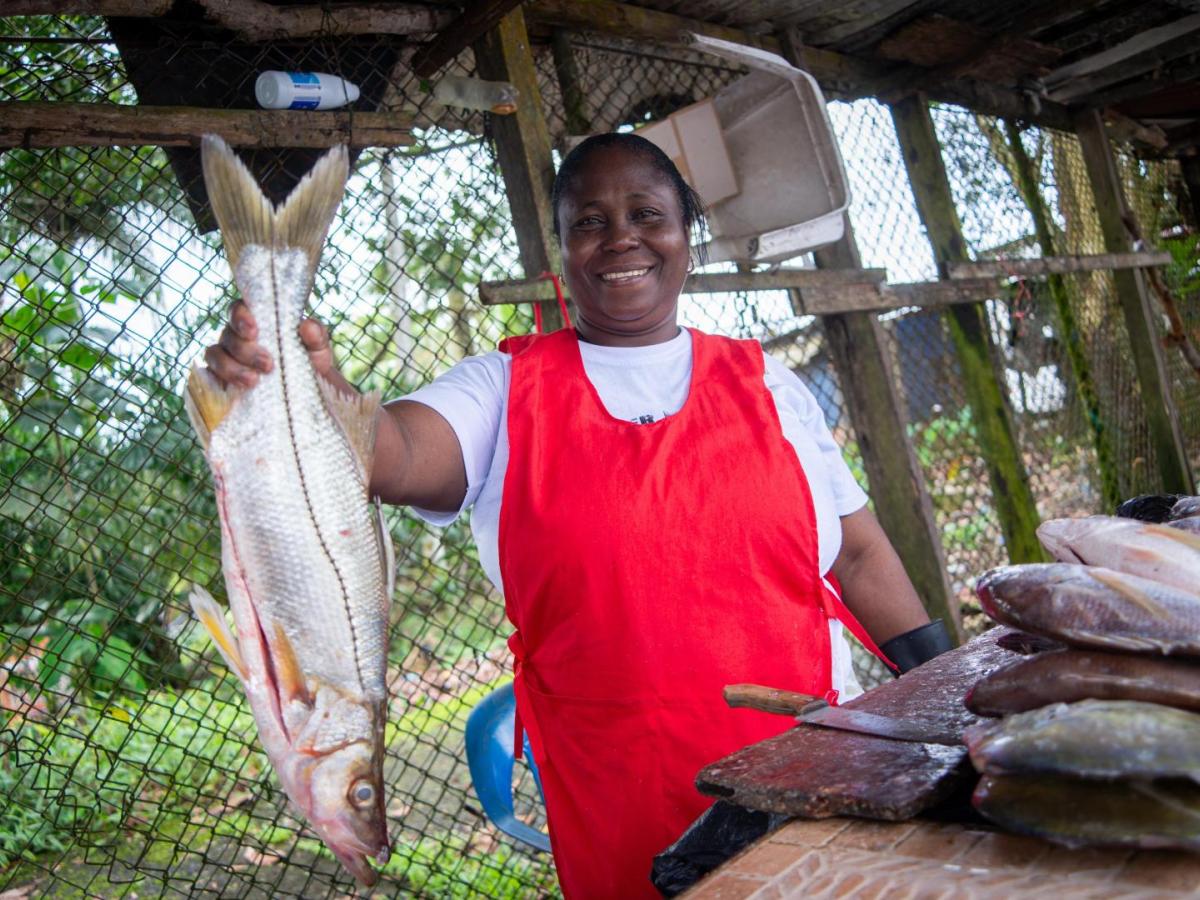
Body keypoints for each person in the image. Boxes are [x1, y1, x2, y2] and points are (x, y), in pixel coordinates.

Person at [204, 132, 951, 898]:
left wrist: (943, 687)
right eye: (589, 221)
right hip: (615, 796)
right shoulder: (501, 389)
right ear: (562, 251)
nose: (622, 236)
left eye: (645, 214)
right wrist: (316, 390)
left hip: (804, 775)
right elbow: (389, 454)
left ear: (685, 237)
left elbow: (857, 556)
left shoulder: (770, 385)